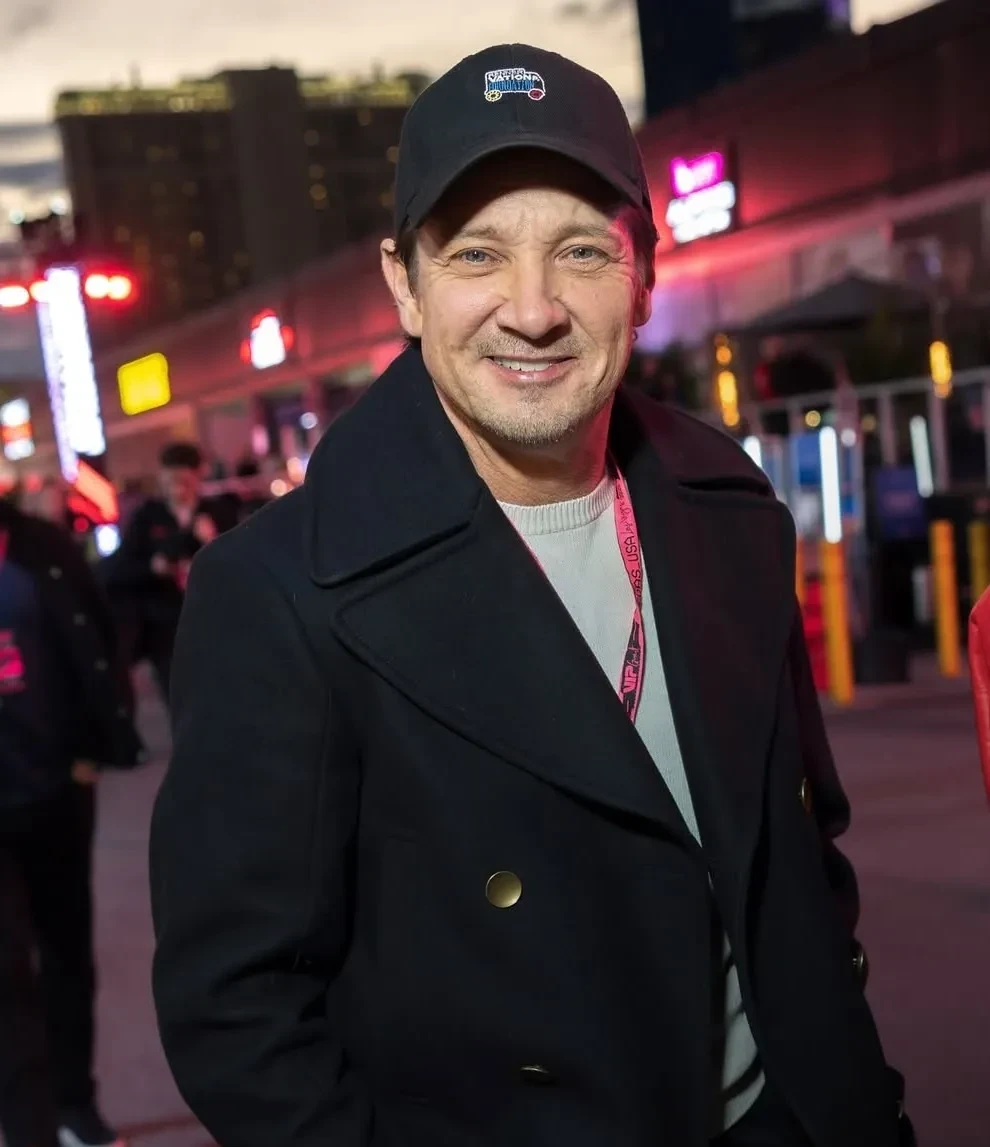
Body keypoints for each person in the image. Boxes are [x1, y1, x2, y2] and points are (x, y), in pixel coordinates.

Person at [149, 45, 914, 1147]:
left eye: (582, 250)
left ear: (643, 277)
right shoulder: (281, 590)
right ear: (405, 285)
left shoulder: (730, 508)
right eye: (476, 253)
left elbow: (801, 856)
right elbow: (237, 1012)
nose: (534, 309)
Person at [0, 497, 142, 1147]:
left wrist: (94, 747)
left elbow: (98, 639)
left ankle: (75, 1104)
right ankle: (29, 1127)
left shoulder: (42, 548)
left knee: (67, 956)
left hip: (55, 785)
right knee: (7, 974)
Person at [102, 442, 226, 704]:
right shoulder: (147, 516)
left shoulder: (215, 512)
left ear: (198, 476)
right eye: (170, 480)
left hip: (213, 622)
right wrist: (152, 567)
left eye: (184, 481)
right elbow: (119, 568)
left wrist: (211, 542)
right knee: (180, 700)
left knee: (221, 696)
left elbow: (238, 566)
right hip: (166, 629)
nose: (177, 488)